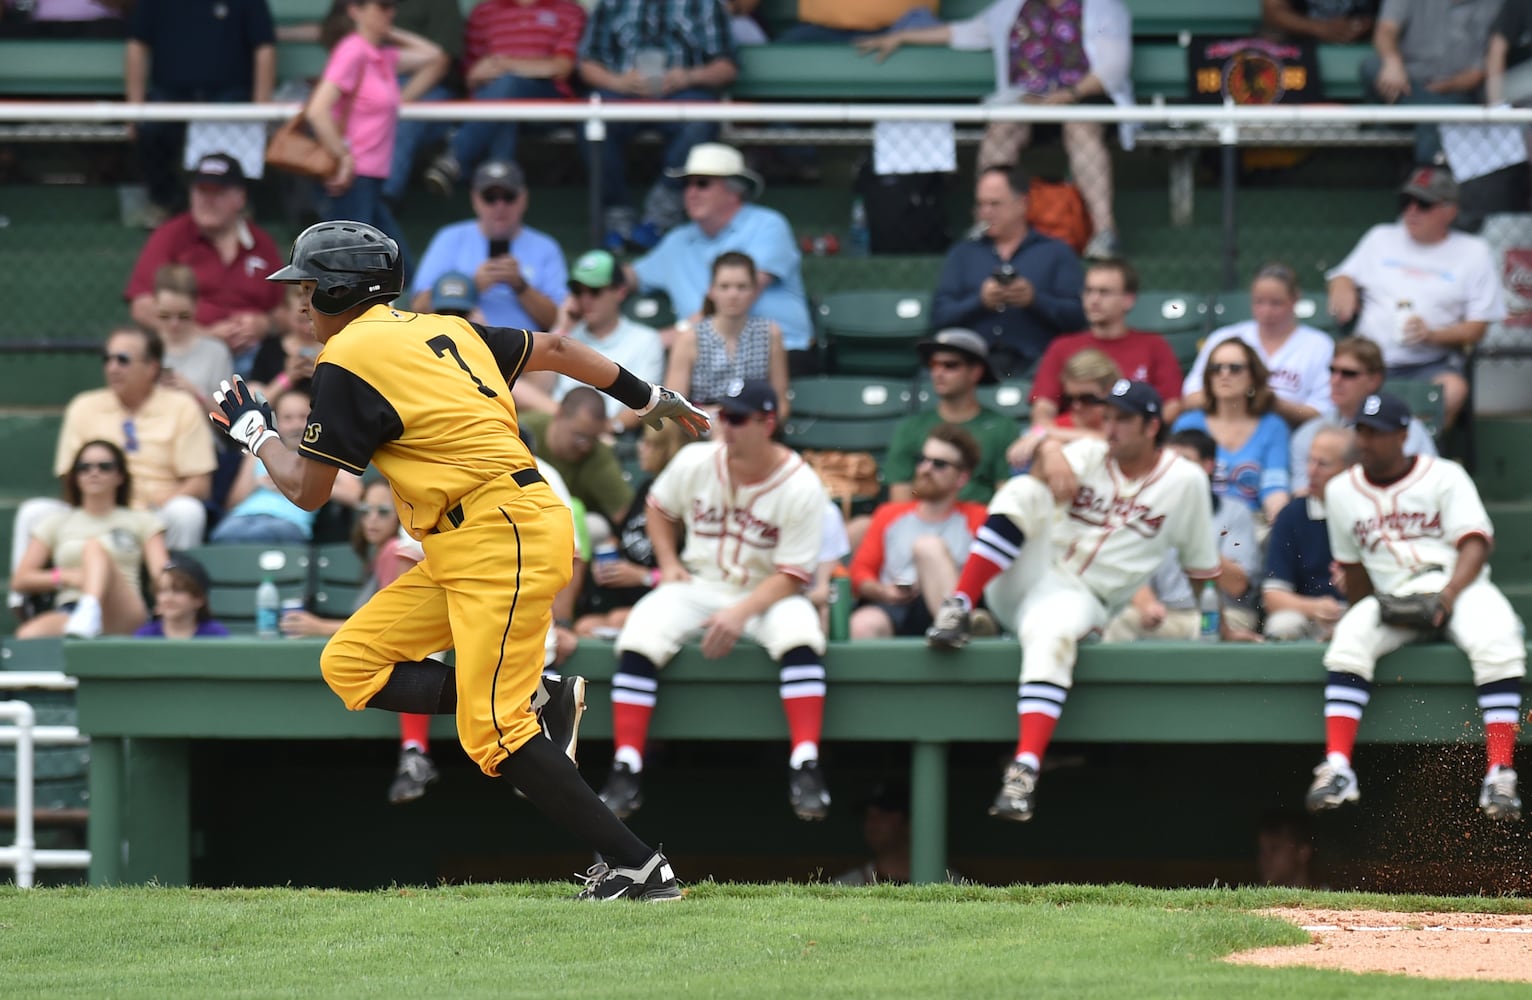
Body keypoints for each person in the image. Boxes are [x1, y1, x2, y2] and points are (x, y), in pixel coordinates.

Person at [234, 219, 708, 900]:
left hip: (497, 533)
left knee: (491, 735)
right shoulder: (445, 328)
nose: (297, 302)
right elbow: (559, 346)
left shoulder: (346, 359)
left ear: (342, 288)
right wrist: (647, 395)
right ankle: (540, 700)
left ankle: (639, 868)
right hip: (476, 536)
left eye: (307, 287)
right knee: (349, 664)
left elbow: (309, 492)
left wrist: (255, 434)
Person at [924, 380, 1220, 822]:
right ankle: (960, 605)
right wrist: (1048, 452)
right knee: (1022, 492)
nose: (1111, 426)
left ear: (1152, 425)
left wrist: (1216, 631)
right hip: (1025, 574)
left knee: (1053, 635)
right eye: (1109, 416)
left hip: (1082, 597)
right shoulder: (1090, 453)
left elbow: (1201, 570)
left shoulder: (1186, 482)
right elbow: (1032, 463)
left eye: (1124, 419)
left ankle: (1023, 772)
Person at [597, 380, 831, 823]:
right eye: (724, 415)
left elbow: (794, 575)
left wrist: (739, 614)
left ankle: (806, 762)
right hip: (700, 583)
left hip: (767, 592)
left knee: (801, 632)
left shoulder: (802, 484)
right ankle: (626, 765)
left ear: (768, 423)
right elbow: (658, 508)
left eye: (738, 418)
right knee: (641, 631)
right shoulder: (697, 460)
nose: (727, 426)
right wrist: (667, 561)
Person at [1306, 392, 1524, 824]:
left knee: (1498, 638)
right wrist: (1360, 611)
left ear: (1404, 435)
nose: (1366, 440)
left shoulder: (1444, 475)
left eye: (1378, 432)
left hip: (1457, 584)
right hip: (1395, 594)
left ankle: (1500, 771)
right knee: (1350, 639)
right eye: (1362, 431)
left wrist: (1448, 596)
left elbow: (1475, 543)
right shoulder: (1340, 491)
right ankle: (1337, 767)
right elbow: (1353, 569)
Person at [856, 0, 1135, 259]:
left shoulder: (1102, 7)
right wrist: (903, 36)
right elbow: (962, 32)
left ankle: (1104, 231)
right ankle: (988, 224)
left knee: (1080, 127)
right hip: (1029, 100)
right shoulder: (1012, 8)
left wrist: (1069, 96)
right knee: (1001, 129)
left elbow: (1113, 67)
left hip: (1084, 96)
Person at [277, 478, 446, 804]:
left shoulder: (397, 550)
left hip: (441, 640)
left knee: (403, 656)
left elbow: (394, 627)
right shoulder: (380, 554)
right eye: (366, 510)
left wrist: (320, 625)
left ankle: (415, 754)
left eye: (383, 511)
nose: (372, 519)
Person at [1326, 166, 1505, 430]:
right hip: (1371, 362)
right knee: (1340, 378)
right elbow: (1342, 274)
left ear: (1450, 210)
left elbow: (1478, 326)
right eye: (1406, 202)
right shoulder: (1380, 237)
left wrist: (1432, 335)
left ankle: (1417, 455)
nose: (1411, 211)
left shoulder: (1473, 252)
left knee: (1452, 390)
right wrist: (1342, 286)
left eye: (1423, 204)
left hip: (1430, 365)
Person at [628, 143, 815, 362]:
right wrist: (583, 290)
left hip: (779, 352)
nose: (691, 192)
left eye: (702, 183)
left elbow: (733, 300)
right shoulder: (677, 240)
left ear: (734, 191)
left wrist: (661, 339)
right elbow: (628, 277)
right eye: (687, 184)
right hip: (704, 358)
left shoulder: (768, 224)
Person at [577, 0, 737, 251]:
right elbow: (587, 63)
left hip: (684, 93)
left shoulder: (706, 4)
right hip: (622, 92)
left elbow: (727, 66)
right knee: (592, 120)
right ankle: (617, 217)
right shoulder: (610, 3)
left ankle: (660, 217)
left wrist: (688, 76)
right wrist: (617, 81)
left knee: (701, 119)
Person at [307, 0, 448, 260]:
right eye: (382, 6)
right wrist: (343, 156)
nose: (390, 12)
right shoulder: (353, 50)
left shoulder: (380, 55)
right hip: (351, 178)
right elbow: (317, 110)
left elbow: (435, 56)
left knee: (391, 267)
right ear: (355, 10)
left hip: (369, 178)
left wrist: (388, 30)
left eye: (392, 6)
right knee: (361, 271)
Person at [123, 153, 286, 369]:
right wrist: (202, 334)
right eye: (201, 191)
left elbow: (286, 310)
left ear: (240, 198)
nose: (207, 200)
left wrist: (264, 324)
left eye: (218, 192)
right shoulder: (170, 236)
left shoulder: (262, 244)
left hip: (254, 355)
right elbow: (141, 306)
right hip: (188, 351)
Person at [1101, 428, 1260, 641]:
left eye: (1184, 461)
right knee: (1119, 621)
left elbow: (1238, 584)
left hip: (1227, 614)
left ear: (1208, 466)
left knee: (1207, 632)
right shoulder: (1148, 509)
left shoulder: (1235, 512)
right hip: (1167, 614)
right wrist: (1147, 603)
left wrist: (1193, 538)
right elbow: (1131, 573)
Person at [124, 0, 274, 224]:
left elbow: (264, 48)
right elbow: (136, 46)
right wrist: (133, 111)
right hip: (170, 94)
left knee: (234, 138)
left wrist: (261, 110)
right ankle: (165, 203)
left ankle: (236, 206)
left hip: (229, 93)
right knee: (152, 131)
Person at [930, 166, 1087, 378]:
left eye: (995, 204)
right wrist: (979, 302)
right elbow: (938, 317)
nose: (986, 212)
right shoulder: (963, 254)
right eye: (981, 205)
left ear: (1022, 204)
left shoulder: (1056, 252)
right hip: (973, 366)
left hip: (1038, 363)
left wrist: (1034, 300)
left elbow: (1078, 317)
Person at [422, 0, 587, 194]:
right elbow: (471, 74)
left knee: (507, 86)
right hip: (494, 103)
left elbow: (561, 68)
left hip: (548, 104)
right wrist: (478, 76)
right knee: (503, 110)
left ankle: (455, 158)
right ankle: (501, 196)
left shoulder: (569, 10)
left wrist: (506, 65)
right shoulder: (483, 12)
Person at [12, 440, 170, 639]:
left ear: (120, 475)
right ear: (75, 476)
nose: (93, 473)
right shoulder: (57, 522)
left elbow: (162, 575)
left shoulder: (142, 520)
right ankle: (86, 615)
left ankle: (90, 608)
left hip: (123, 610)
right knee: (27, 636)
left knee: (94, 547)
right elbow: (21, 579)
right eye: (84, 467)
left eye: (105, 467)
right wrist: (67, 577)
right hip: (71, 610)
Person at [850, 425, 988, 639]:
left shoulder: (978, 518)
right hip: (894, 607)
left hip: (951, 603)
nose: (926, 468)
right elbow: (860, 573)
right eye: (922, 459)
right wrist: (883, 591)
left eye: (939, 464)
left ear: (962, 478)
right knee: (862, 625)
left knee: (928, 546)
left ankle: (957, 624)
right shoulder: (889, 514)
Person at [1025, 257, 1184, 440]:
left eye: (1104, 292)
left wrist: (1132, 435)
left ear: (1128, 300)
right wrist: (1093, 437)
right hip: (1071, 445)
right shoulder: (1062, 346)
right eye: (1089, 291)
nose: (1094, 299)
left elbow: (1172, 406)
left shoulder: (1154, 345)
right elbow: (1042, 411)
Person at [410, 160, 567, 333]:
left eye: (508, 196)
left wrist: (520, 285)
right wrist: (469, 287)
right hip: (461, 348)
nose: (500, 206)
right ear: (475, 199)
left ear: (523, 198)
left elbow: (558, 321)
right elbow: (419, 308)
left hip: (527, 352)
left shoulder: (546, 247)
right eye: (490, 197)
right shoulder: (450, 238)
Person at [1182, 263, 1335, 428]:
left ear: (1295, 298)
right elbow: (1191, 396)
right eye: (1259, 302)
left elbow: (1322, 411)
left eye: (1276, 303)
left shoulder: (1319, 345)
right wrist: (1236, 397)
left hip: (1291, 432)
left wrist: (1271, 402)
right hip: (1223, 428)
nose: (1266, 311)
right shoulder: (1224, 338)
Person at [574, 421, 689, 639]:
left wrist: (642, 577)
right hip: (624, 597)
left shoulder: (685, 501)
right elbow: (620, 536)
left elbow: (690, 575)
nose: (640, 448)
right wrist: (607, 561)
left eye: (649, 443)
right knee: (584, 625)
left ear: (667, 450)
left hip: (664, 601)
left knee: (614, 620)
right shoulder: (647, 487)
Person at [211, 385, 365, 544]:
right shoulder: (258, 452)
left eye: (303, 417)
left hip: (287, 522)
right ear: (276, 421)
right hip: (242, 518)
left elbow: (356, 496)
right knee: (223, 534)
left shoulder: (322, 454)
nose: (296, 425)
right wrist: (257, 484)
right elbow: (231, 503)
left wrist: (299, 483)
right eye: (288, 418)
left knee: (261, 534)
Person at [1288, 335, 1437, 496]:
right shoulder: (1309, 433)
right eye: (1333, 371)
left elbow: (1424, 485)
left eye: (1348, 374)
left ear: (1374, 380)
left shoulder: (1401, 429)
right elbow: (1303, 493)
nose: (1336, 380)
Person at [884, 329, 1018, 506]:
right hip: (920, 526)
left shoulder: (1003, 428)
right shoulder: (910, 428)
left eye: (950, 365)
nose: (938, 372)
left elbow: (1007, 499)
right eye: (933, 364)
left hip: (978, 527)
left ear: (975, 372)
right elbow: (899, 501)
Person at [540, 250, 664, 435]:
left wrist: (607, 428)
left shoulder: (646, 339)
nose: (585, 300)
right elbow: (538, 389)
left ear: (620, 292)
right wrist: (561, 325)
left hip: (608, 438)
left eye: (594, 291)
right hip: (557, 430)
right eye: (578, 292)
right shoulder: (565, 335)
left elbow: (649, 401)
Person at [1361, 0, 1502, 164]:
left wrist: (1448, 86)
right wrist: (1392, 61)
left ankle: (1428, 172)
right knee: (1372, 66)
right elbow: (1385, 30)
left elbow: (1480, 71)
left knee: (1440, 113)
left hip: (1456, 92)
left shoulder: (1495, 4)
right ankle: (1431, 172)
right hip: (1404, 87)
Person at [1171, 338, 1292, 523]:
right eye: (1216, 368)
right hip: (1195, 520)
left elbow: (1274, 488)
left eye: (1234, 368)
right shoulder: (1187, 424)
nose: (1224, 374)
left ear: (1253, 376)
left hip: (1251, 523)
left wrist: (1280, 522)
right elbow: (1175, 485)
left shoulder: (1273, 426)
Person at [664, 252, 791, 417]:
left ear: (754, 291)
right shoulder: (689, 338)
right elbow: (673, 405)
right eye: (724, 286)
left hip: (753, 424)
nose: (733, 295)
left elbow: (780, 402)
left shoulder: (770, 333)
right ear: (711, 291)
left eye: (741, 287)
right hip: (700, 426)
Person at [1263, 426, 1354, 642]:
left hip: (1360, 614)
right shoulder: (1293, 514)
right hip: (1308, 615)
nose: (1311, 472)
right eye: (1310, 461)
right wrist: (1314, 607)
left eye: (1323, 464)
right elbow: (1272, 596)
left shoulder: (1372, 509)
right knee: (1282, 625)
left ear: (1351, 469)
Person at [521, 388, 635, 528]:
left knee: (597, 526)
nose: (586, 446)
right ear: (560, 415)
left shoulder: (597, 454)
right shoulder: (524, 431)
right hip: (521, 514)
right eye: (580, 437)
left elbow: (626, 515)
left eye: (593, 438)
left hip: (573, 528)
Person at [832, 780, 963, 886]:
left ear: (910, 822)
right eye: (868, 815)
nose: (871, 823)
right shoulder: (847, 886)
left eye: (882, 815)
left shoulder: (950, 884)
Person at [1007, 348, 1118, 471]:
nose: (1077, 406)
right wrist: (1043, 438)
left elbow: (1111, 440)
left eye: (1086, 398)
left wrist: (1049, 436)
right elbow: (1029, 439)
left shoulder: (1126, 421)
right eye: (1070, 398)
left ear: (1109, 391)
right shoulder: (1060, 425)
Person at [150, 263, 236, 411]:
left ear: (196, 306)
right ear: (154, 305)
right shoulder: (145, 349)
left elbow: (231, 421)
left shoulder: (215, 352)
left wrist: (196, 395)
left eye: (183, 316)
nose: (174, 324)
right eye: (165, 316)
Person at [249, 283, 322, 397]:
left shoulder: (335, 348)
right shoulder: (270, 350)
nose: (307, 328)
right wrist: (287, 377)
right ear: (286, 314)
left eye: (312, 319)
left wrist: (323, 376)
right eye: (300, 320)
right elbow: (256, 405)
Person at [134, 555, 231, 639]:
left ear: (199, 599)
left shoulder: (216, 635)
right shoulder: (145, 636)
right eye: (162, 591)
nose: (168, 598)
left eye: (178, 590)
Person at [1255, 810, 1319, 889]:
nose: (1264, 858)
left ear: (1302, 853)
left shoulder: (1328, 900)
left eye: (1274, 848)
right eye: (1262, 850)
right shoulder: (1250, 899)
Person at [1261, 1, 1377, 44]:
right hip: (1300, 39)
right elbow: (1272, 12)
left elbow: (1392, 13)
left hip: (1365, 40)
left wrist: (1371, 24)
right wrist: (1321, 28)